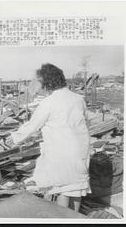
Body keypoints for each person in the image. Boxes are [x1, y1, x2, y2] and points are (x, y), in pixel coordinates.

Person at [7, 63, 90, 212]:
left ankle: (61, 220)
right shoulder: (78, 99)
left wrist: (13, 138)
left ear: (47, 82)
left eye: (37, 81)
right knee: (76, 190)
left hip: (62, 152)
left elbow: (33, 125)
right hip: (80, 152)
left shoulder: (49, 102)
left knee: (62, 190)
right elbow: (82, 123)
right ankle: (75, 219)